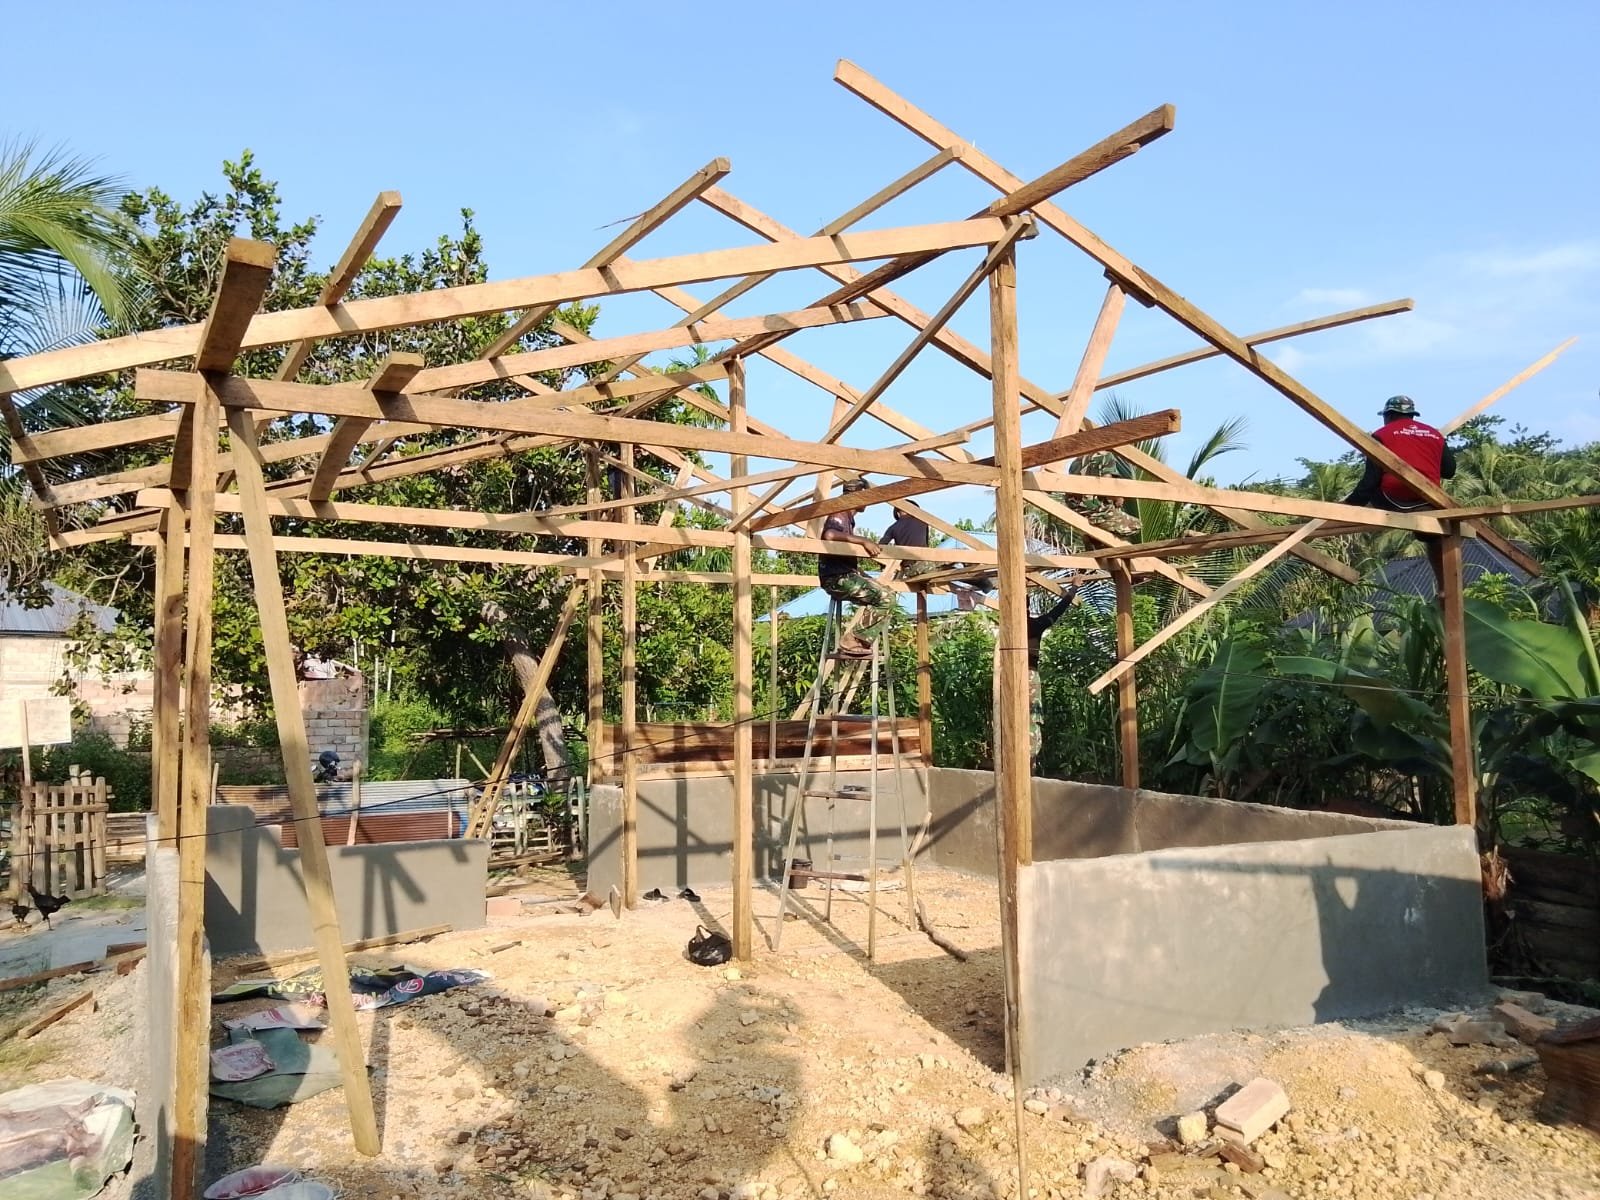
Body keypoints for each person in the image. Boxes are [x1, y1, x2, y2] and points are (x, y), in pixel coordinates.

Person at [818, 479, 893, 659]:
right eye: (865, 496)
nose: (868, 502)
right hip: (837, 578)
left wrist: (861, 573)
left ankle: (858, 640)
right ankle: (853, 640)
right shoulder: (839, 513)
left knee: (886, 592)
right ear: (856, 496)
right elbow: (829, 534)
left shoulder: (847, 519)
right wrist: (864, 540)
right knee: (886, 597)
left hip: (843, 575)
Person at [1342, 395, 1456, 513]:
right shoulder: (1435, 435)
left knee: (1372, 489)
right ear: (1412, 415)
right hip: (1430, 499)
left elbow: (1370, 481)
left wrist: (1350, 504)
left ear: (1389, 415)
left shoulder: (1381, 435)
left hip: (1393, 499)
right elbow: (1449, 471)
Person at [1024, 582, 1080, 768]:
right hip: (1029, 675)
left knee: (1017, 718)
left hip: (1009, 676)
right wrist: (1073, 589)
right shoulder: (1034, 625)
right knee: (1032, 718)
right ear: (1027, 608)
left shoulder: (1011, 626)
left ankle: (1024, 761)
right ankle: (1030, 761)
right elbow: (1057, 611)